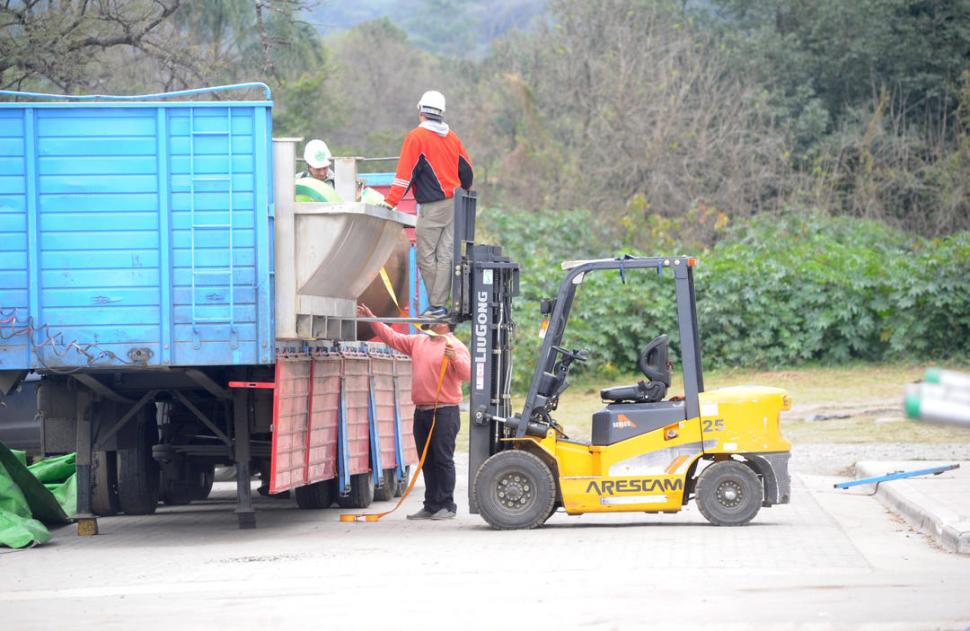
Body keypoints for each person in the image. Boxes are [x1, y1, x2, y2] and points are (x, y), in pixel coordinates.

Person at [356, 303, 470, 520]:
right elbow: (392, 338)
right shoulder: (419, 342)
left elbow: (467, 374)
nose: (426, 324)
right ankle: (431, 505)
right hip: (422, 411)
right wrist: (372, 318)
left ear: (444, 324)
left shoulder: (454, 345)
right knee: (426, 459)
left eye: (431, 320)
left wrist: (455, 357)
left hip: (444, 411)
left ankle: (447, 505)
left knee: (443, 459)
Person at [382, 90, 473, 318]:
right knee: (445, 255)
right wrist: (464, 189)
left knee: (425, 256)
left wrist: (390, 202)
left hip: (433, 207)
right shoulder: (452, 137)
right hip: (456, 203)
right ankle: (441, 305)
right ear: (441, 113)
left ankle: (437, 305)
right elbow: (467, 170)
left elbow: (405, 173)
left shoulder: (416, 137)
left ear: (420, 111)